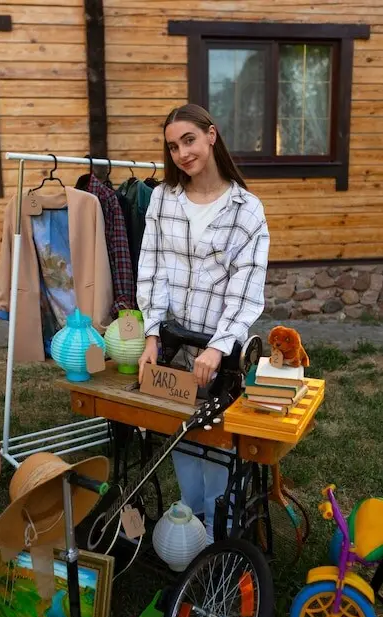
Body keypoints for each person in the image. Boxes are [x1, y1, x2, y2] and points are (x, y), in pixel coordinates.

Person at [137, 103, 270, 543]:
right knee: (182, 436)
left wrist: (218, 346)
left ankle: (220, 533)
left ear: (211, 135)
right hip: (175, 346)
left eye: (189, 140)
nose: (182, 154)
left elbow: (246, 289)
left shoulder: (246, 210)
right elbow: (151, 269)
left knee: (218, 445)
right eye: (173, 147)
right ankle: (188, 524)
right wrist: (152, 333)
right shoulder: (163, 199)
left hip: (220, 351)